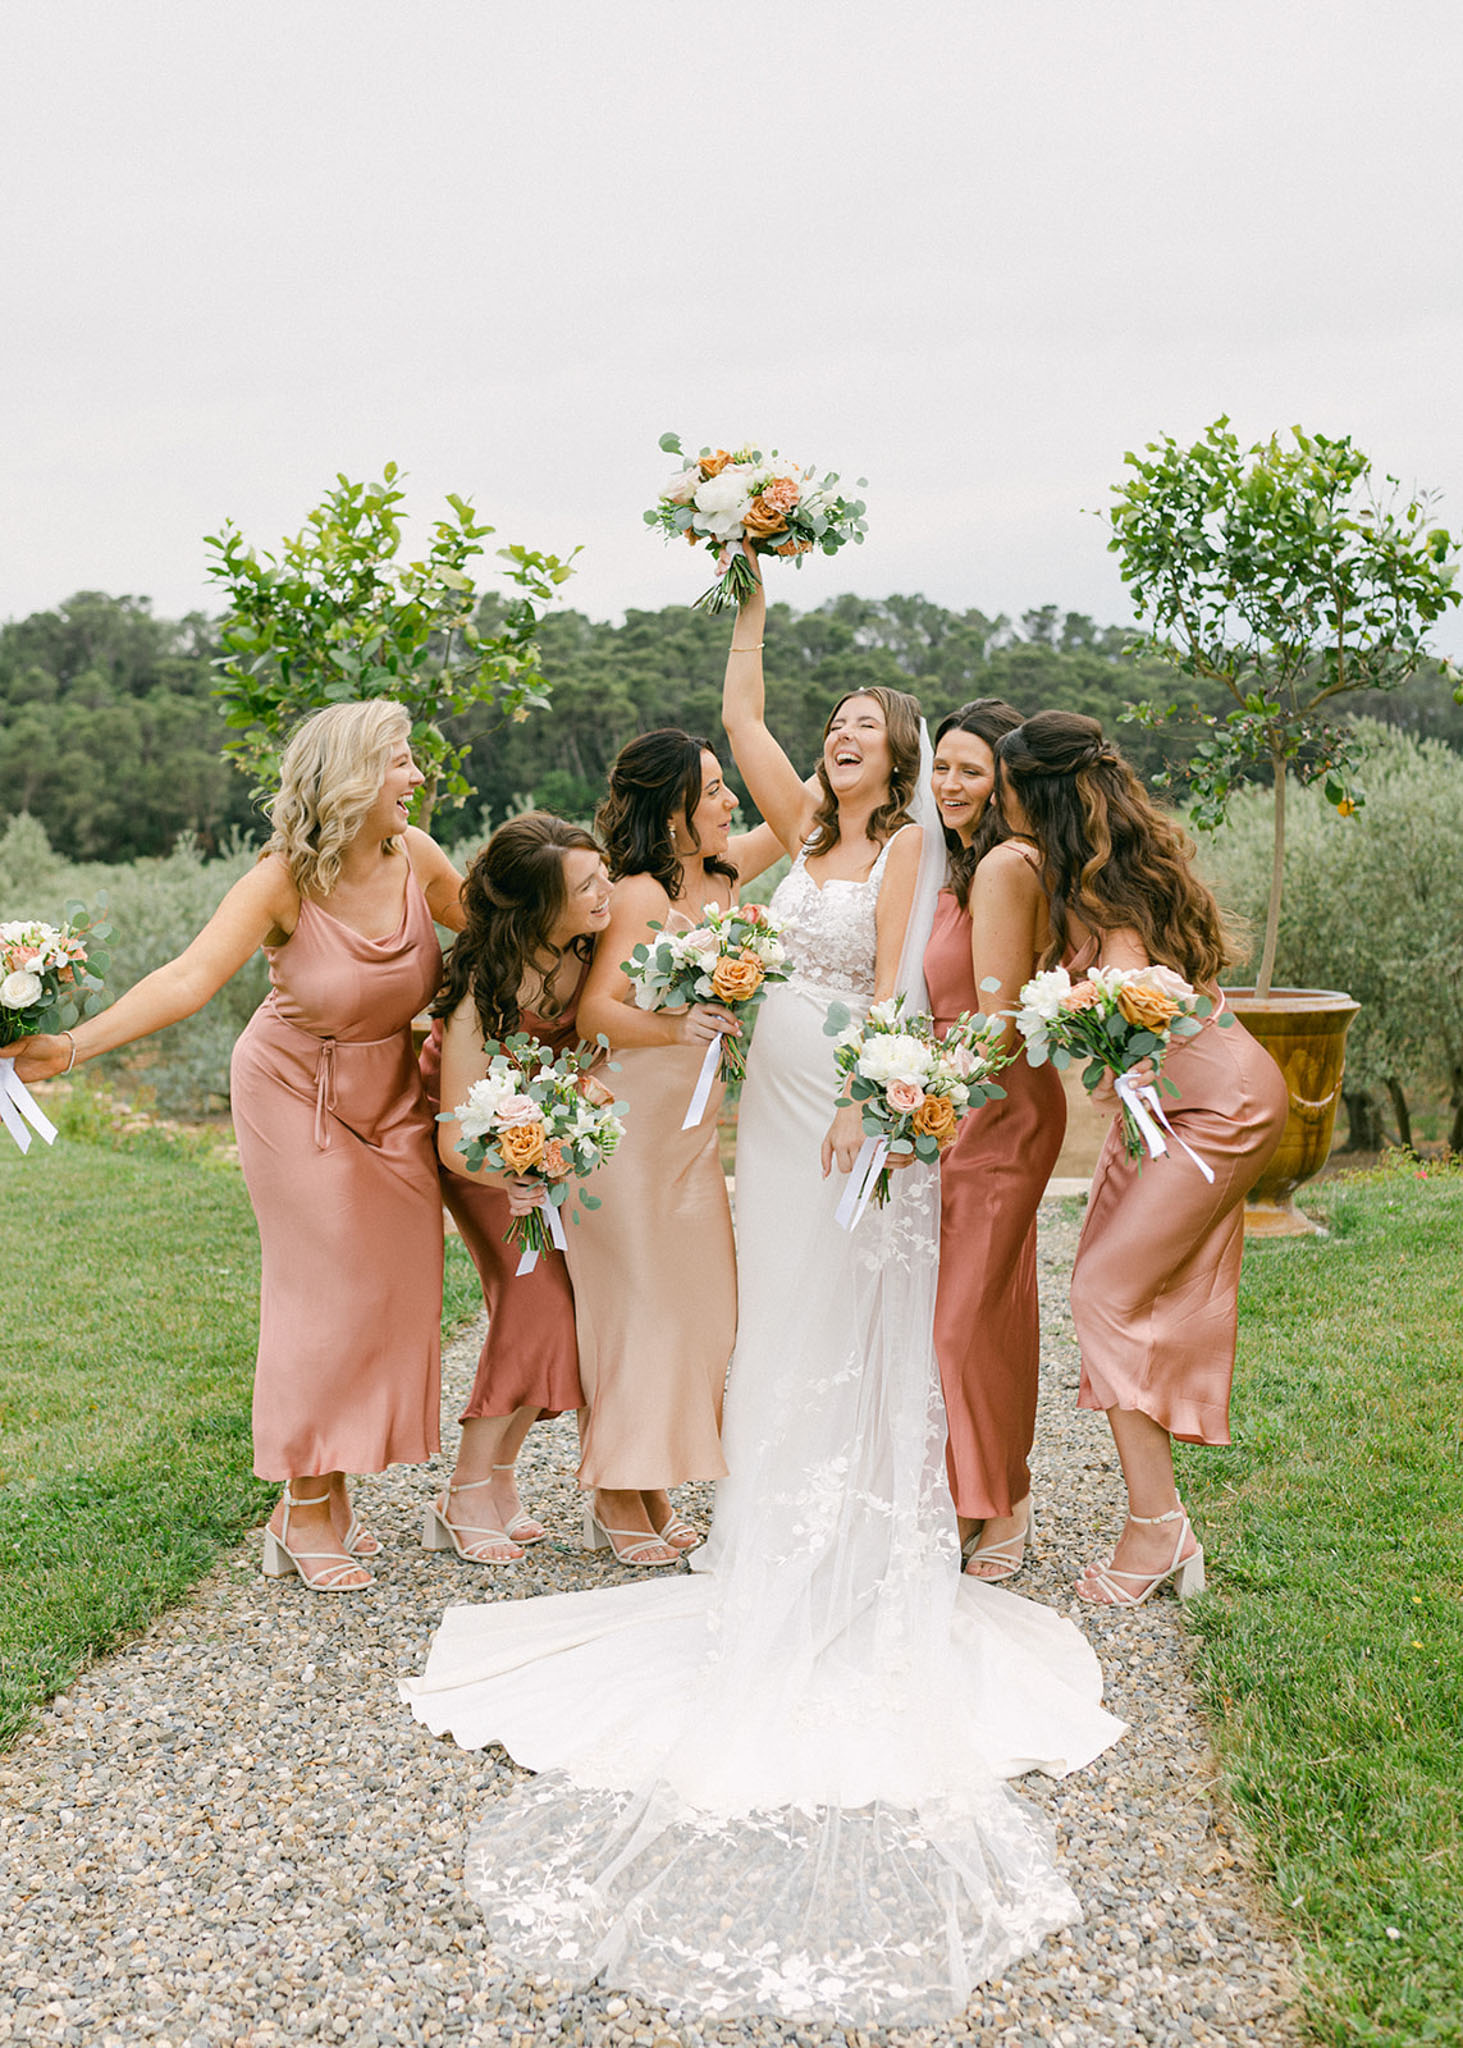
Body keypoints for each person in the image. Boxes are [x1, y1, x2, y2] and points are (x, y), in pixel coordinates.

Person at [400, 562, 1124, 2025]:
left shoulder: (912, 854)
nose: (839, 734)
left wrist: (877, 1095)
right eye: (834, 720)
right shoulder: (794, 834)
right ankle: (762, 1543)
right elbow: (739, 716)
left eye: (864, 724)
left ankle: (861, 1556)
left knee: (856, 1319)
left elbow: (898, 1003)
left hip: (851, 1115)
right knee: (777, 1321)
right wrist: (743, 587)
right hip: (770, 1120)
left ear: (905, 761)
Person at [4, 700, 464, 1592]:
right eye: (401, 764)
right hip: (294, 1091)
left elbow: (491, 934)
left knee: (392, 1284)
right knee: (323, 1289)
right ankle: (305, 1505)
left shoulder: (419, 859)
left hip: (392, 1091)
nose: (417, 779)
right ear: (354, 778)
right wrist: (67, 1047)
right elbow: (187, 977)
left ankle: (335, 1482)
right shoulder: (282, 879)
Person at [993, 710, 1289, 1607]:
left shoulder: (1100, 893)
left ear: (1033, 794)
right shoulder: (1100, 868)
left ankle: (1158, 1528)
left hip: (1217, 1105)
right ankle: (1157, 1521)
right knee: (1109, 1282)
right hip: (1166, 1102)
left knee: (1102, 1294)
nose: (999, 804)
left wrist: (1065, 1014)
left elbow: (1125, 993)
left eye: (1005, 788)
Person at [564, 728, 783, 1563]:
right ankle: (619, 1494)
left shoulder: (723, 880)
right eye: (717, 790)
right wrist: (675, 1022)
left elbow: (806, 817)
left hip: (688, 1138)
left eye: (728, 787)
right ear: (674, 810)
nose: (733, 802)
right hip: (629, 1131)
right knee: (642, 1309)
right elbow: (594, 1013)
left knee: (696, 1314)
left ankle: (647, 1480)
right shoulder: (641, 895)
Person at [420, 812, 611, 1564]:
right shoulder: (481, 991)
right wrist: (519, 1171)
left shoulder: (587, 946)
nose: (605, 892)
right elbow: (453, 1137)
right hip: (483, 1159)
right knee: (537, 1305)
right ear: (537, 909)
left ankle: (498, 1481)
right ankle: (464, 1490)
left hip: (548, 1148)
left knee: (563, 1315)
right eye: (586, 886)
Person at [924, 699, 1067, 1581]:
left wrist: (922, 1093)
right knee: (966, 1313)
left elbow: (1001, 1023)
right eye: (940, 766)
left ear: (1005, 781)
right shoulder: (949, 865)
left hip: (994, 1106)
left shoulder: (1008, 865)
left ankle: (1003, 1506)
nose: (949, 784)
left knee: (967, 1318)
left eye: (970, 770)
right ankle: (965, 1491)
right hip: (945, 1101)